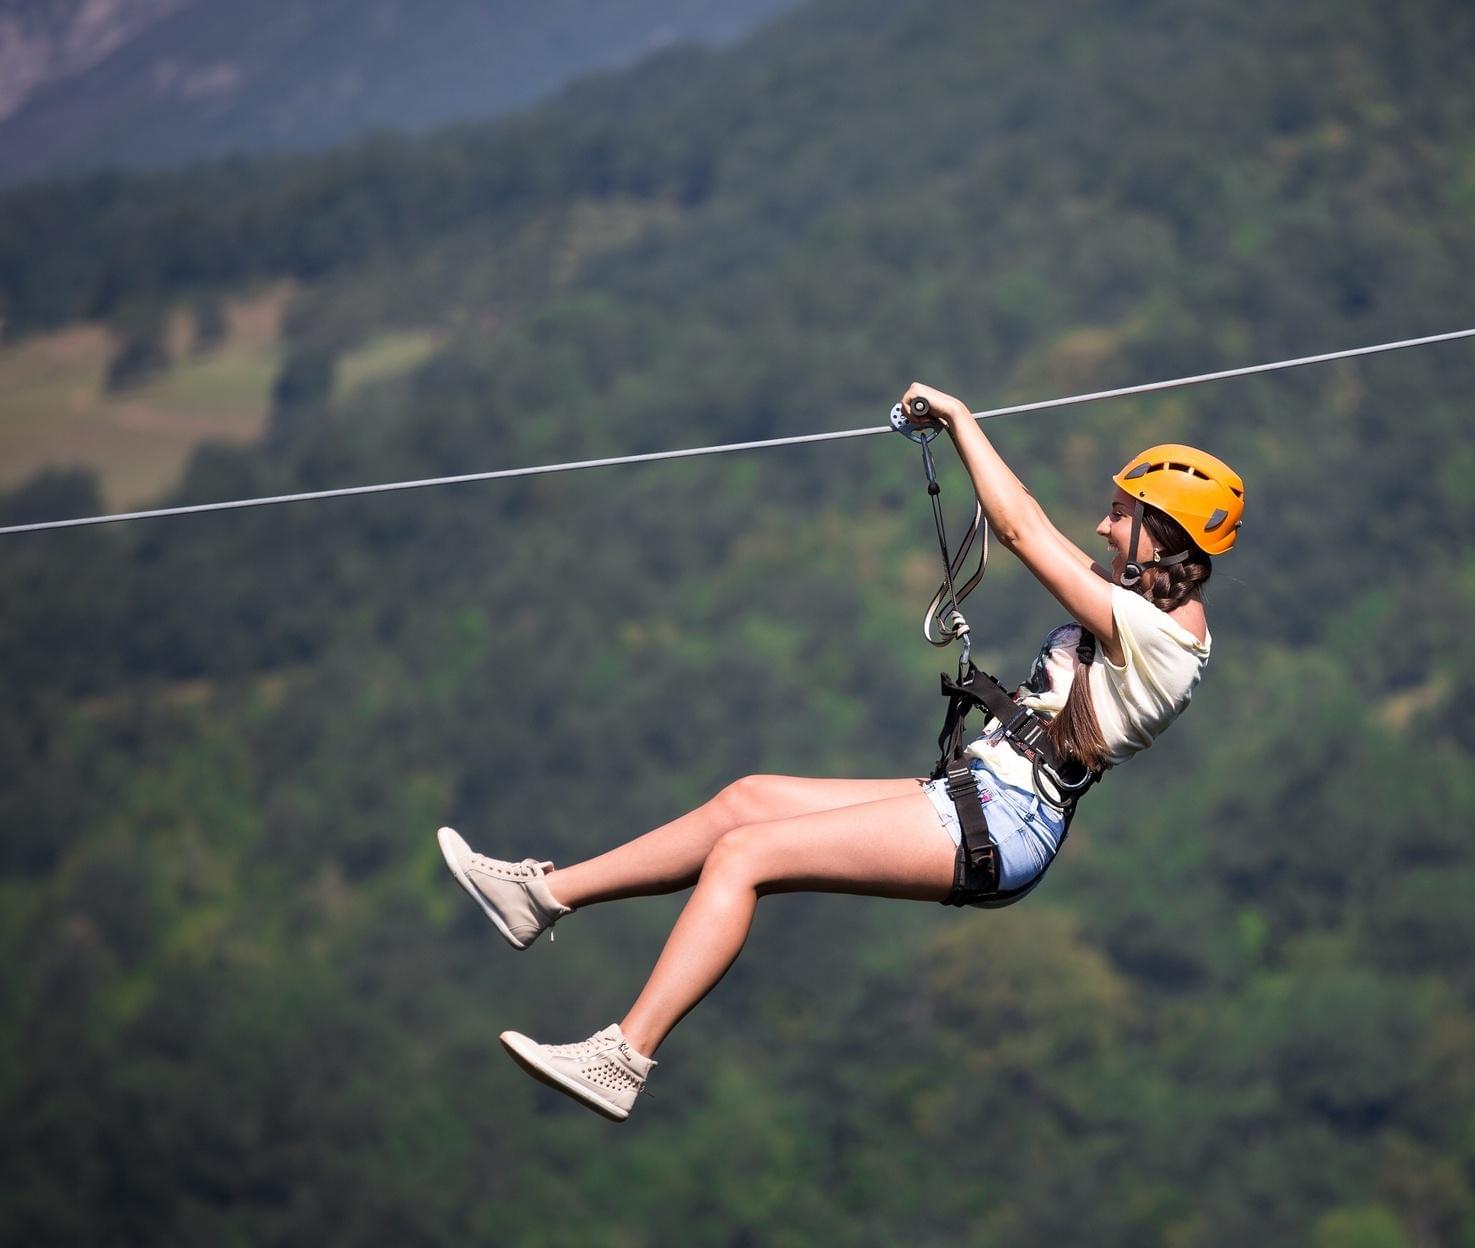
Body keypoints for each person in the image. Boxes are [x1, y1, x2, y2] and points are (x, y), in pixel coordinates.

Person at [435, 382, 1245, 1121]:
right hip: (983, 794)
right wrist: (964, 430)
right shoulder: (1135, 603)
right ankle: (542, 898)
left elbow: (1017, 528)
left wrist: (960, 417)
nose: (1102, 524)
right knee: (745, 800)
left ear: (1159, 534)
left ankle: (623, 1057)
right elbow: (1027, 512)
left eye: (1117, 511)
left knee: (746, 855)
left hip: (1005, 824)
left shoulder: (1162, 639)